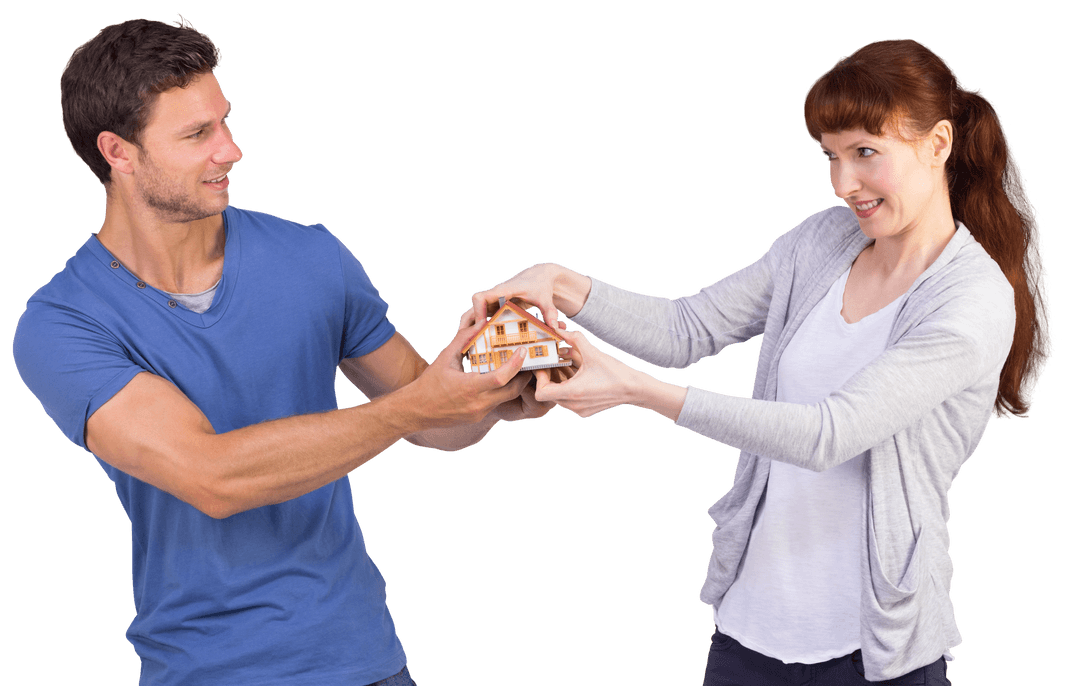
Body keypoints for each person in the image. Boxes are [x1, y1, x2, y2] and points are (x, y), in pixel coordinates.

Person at [468, 39, 1052, 684]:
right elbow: (689, 328)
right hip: (748, 635)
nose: (843, 184)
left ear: (938, 143)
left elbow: (830, 433)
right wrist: (561, 283)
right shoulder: (823, 240)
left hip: (875, 653)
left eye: (865, 154)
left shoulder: (971, 299)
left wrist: (637, 391)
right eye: (831, 156)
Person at [12, 17, 553, 686]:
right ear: (118, 153)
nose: (230, 150)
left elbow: (436, 418)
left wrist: (495, 387)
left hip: (366, 659)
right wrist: (417, 407)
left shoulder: (311, 258)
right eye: (197, 135)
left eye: (224, 122)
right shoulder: (64, 324)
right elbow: (213, 478)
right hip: (209, 670)